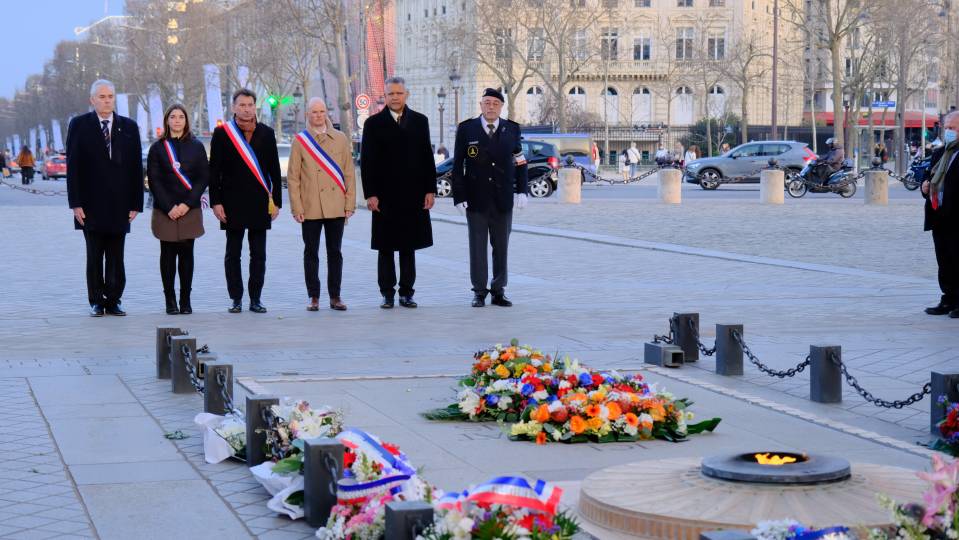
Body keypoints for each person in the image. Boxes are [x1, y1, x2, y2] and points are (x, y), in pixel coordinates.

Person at [66, 79, 144, 316]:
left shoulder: (129, 127)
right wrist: (75, 203)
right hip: (90, 205)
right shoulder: (79, 125)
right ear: (92, 100)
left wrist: (135, 204)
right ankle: (96, 301)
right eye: (101, 97)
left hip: (120, 204)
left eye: (110, 96)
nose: (106, 100)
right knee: (94, 255)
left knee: (116, 255)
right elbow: (73, 166)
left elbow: (135, 168)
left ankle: (114, 299)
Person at [360, 77, 436, 309]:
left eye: (399, 93)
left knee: (408, 246)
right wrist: (370, 194)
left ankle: (406, 292)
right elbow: (367, 162)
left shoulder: (420, 121)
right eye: (390, 93)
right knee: (385, 247)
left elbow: (427, 158)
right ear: (384, 96)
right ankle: (387, 293)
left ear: (406, 95)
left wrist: (430, 189)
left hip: (413, 195)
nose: (395, 97)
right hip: (384, 196)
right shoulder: (373, 124)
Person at [451, 88, 528, 308]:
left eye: (495, 103)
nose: (491, 106)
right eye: (487, 102)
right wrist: (459, 195)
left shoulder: (511, 129)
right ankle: (479, 291)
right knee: (477, 247)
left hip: (502, 199)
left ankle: (498, 290)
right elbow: (458, 165)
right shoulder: (467, 129)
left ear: (501, 106)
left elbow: (520, 162)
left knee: (501, 246)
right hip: (476, 199)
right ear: (481, 105)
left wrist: (522, 190)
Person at [209, 88, 283, 314]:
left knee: (258, 253)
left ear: (255, 107)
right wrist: (216, 202)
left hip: (260, 202)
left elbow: (274, 169)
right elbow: (214, 171)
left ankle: (256, 298)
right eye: (242, 105)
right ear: (234, 108)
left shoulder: (267, 133)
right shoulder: (222, 134)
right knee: (233, 253)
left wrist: (277, 201)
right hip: (231, 202)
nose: (247, 109)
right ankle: (236, 298)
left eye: (250, 105)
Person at [287, 97, 356, 312]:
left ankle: (335, 296)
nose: (318, 115)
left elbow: (349, 173)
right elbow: (293, 177)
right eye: (314, 112)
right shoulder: (300, 141)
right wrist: (296, 207)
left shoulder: (341, 138)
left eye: (322, 111)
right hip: (310, 206)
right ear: (307, 114)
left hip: (336, 204)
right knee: (311, 252)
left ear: (327, 113)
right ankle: (314, 296)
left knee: (335, 252)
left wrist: (350, 204)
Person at [147, 104, 208, 315]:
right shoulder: (157, 148)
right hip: (166, 210)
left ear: (186, 120)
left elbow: (202, 178)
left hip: (188, 208)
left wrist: (186, 204)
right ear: (166, 121)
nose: (177, 120)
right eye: (172, 117)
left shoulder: (197, 146)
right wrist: (169, 207)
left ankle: (185, 300)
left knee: (187, 255)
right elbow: (154, 180)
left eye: (181, 117)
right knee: (167, 254)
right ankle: (170, 300)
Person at [921, 111, 959, 317]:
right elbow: (927, 178)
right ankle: (948, 298)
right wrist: (924, 187)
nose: (948, 132)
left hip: (956, 217)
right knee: (944, 260)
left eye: (953, 128)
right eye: (946, 128)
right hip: (939, 215)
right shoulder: (939, 153)